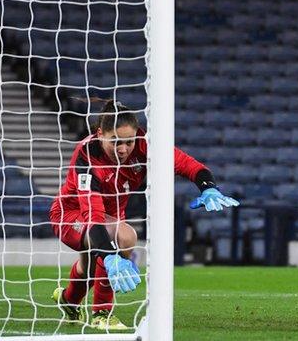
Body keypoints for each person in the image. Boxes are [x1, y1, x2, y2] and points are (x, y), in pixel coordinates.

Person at [50, 99, 239, 329]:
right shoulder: (87, 156)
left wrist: (207, 186)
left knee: (89, 267)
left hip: (107, 220)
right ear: (100, 134)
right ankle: (102, 313)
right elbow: (94, 217)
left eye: (128, 142)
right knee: (124, 237)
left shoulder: (145, 145)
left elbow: (187, 164)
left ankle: (69, 301)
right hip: (71, 215)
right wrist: (111, 257)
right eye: (115, 142)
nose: (123, 149)